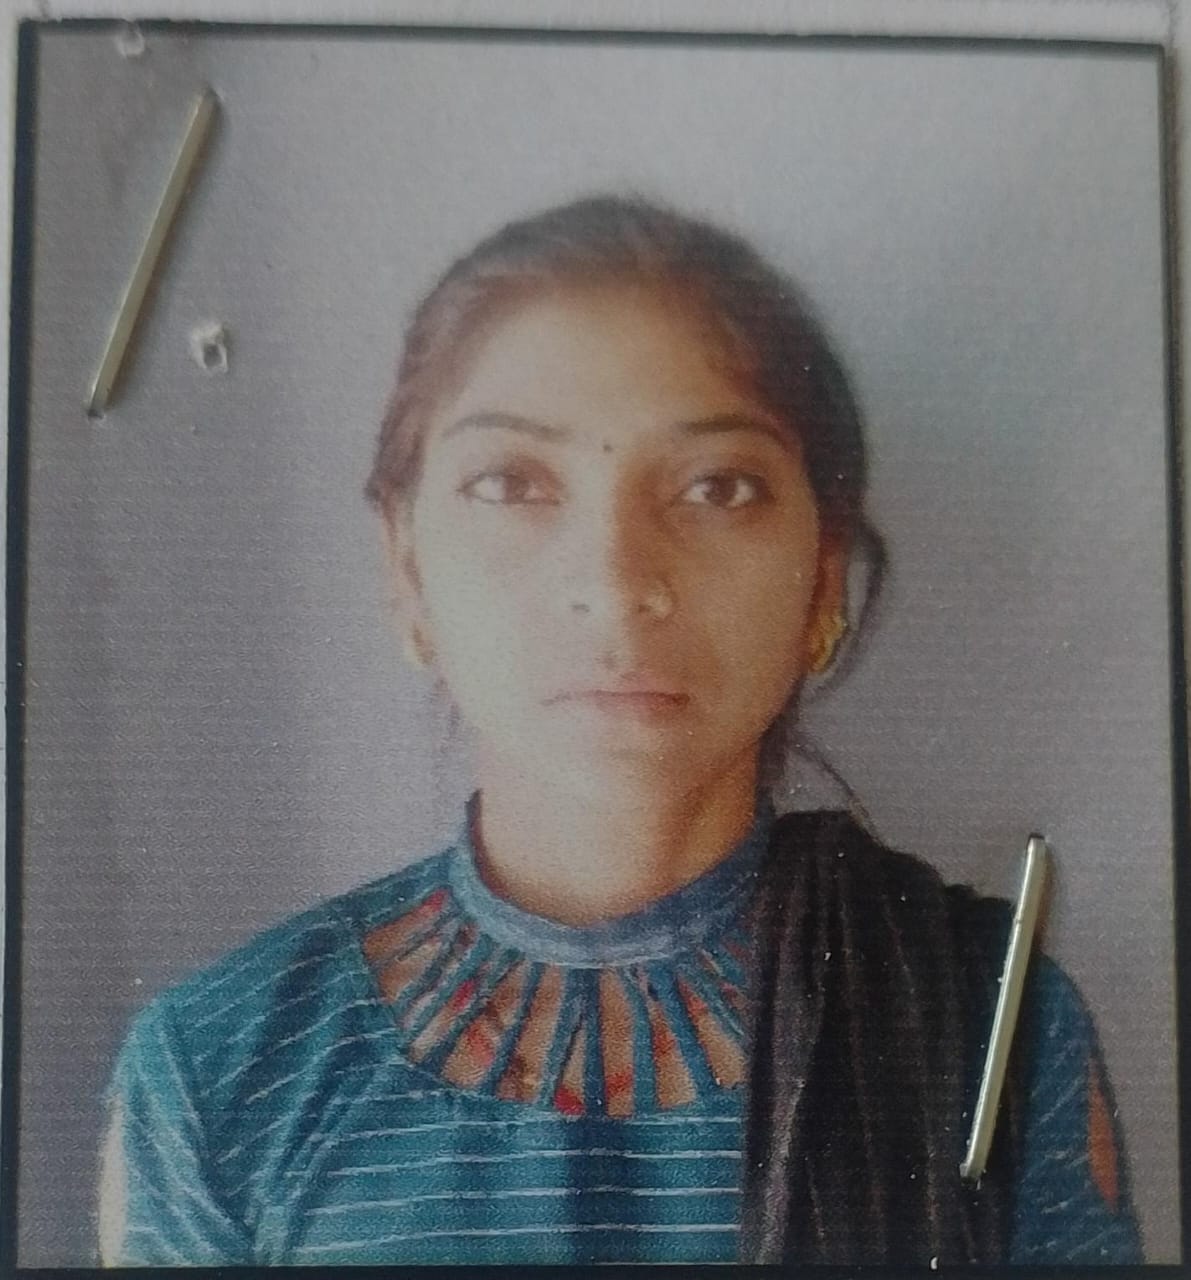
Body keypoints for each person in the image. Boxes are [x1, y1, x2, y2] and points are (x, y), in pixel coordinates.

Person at [98, 196, 1142, 1267]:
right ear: (406, 569)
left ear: (823, 576)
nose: (614, 579)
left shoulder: (993, 1028)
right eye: (512, 482)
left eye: (716, 487)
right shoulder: (218, 1073)